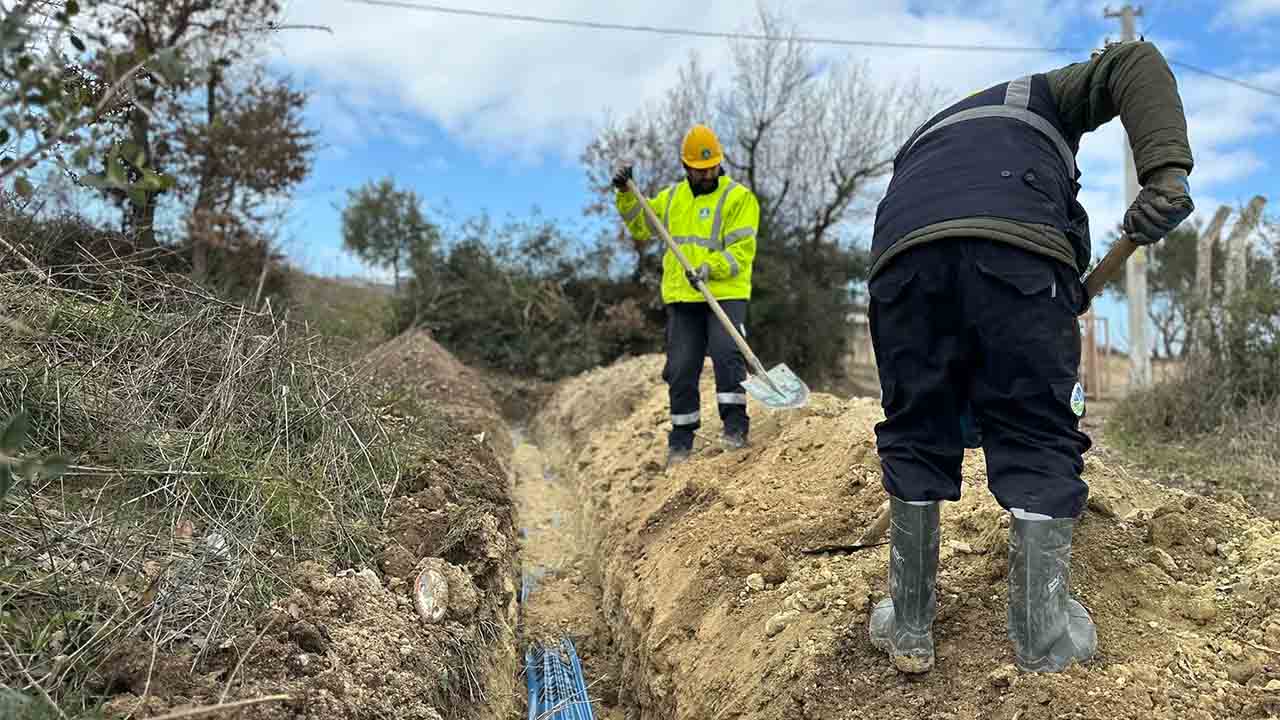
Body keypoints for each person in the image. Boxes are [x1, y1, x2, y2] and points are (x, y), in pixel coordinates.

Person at [865, 40, 1195, 675]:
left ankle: (908, 626)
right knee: (1036, 430)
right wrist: (1165, 170)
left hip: (899, 263)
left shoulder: (933, 137)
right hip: (1015, 257)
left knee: (913, 430)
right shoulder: (1044, 93)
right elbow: (1135, 61)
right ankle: (1043, 639)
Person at [611, 124, 762, 468]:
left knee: (727, 357)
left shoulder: (738, 198)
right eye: (700, 168)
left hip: (724, 294)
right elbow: (639, 226)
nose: (707, 173)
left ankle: (735, 427)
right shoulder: (671, 199)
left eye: (712, 167)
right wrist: (624, 193)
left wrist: (710, 267)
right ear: (686, 166)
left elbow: (742, 252)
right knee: (680, 370)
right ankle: (681, 441)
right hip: (682, 299)